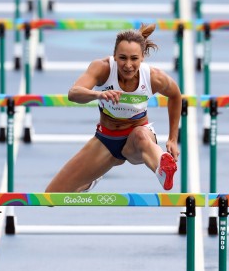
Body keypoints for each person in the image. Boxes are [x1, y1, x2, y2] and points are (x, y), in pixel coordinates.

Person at [45, 24, 180, 193]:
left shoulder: (154, 77)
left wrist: (172, 139)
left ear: (142, 58)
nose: (128, 65)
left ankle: (162, 167)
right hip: (106, 139)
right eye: (123, 58)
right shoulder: (102, 68)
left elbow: (175, 95)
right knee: (52, 195)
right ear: (115, 56)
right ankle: (89, 182)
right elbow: (74, 93)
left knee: (141, 136)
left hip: (135, 138)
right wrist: (98, 95)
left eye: (134, 59)